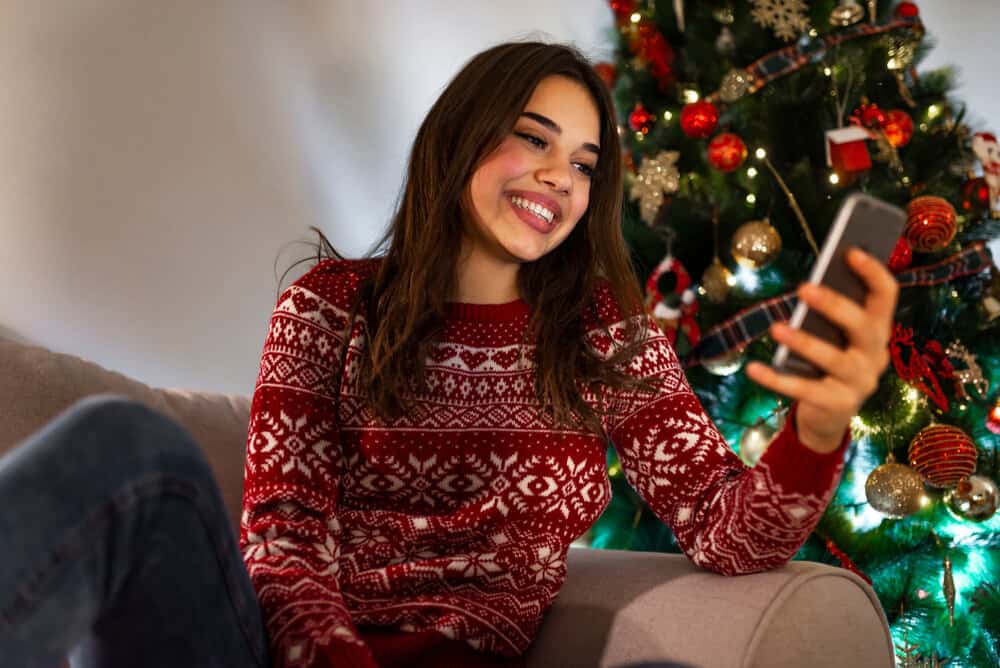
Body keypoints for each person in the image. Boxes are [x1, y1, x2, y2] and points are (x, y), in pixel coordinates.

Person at [0, 41, 898, 668]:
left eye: (586, 164)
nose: (560, 176)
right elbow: (284, 543)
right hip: (261, 651)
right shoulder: (329, 305)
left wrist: (817, 428)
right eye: (534, 139)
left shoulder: (606, 335)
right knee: (129, 447)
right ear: (461, 138)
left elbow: (724, 528)